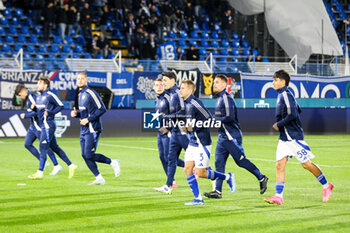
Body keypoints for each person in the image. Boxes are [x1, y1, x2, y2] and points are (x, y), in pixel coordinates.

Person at [264, 70, 334, 205]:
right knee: (280, 164)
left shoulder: (286, 95)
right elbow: (298, 109)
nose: (273, 82)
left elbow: (293, 114)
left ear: (283, 82)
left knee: (306, 164)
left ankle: (326, 186)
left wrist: (279, 124)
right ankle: (279, 196)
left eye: (276, 80)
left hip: (293, 137)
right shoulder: (282, 95)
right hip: (285, 137)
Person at [204, 74, 268, 199]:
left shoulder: (227, 98)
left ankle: (261, 177)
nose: (214, 85)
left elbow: (230, 117)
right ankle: (217, 191)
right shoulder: (219, 99)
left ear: (224, 85)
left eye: (217, 82)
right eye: (214, 82)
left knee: (241, 161)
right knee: (219, 163)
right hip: (223, 137)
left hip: (232, 137)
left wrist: (214, 119)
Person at [179, 80, 235, 205]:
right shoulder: (186, 103)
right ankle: (198, 198)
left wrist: (194, 127)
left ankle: (227, 177)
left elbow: (209, 118)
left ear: (190, 90)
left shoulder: (195, 103)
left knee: (201, 172)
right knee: (187, 169)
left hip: (202, 142)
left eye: (182, 88)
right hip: (192, 142)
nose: (180, 90)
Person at [71, 72, 121, 185]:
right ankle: (99, 178)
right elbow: (86, 113)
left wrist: (88, 120)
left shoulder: (90, 93)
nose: (79, 80)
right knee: (84, 155)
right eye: (78, 79)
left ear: (86, 80)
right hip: (84, 129)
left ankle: (112, 162)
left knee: (88, 155)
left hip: (93, 128)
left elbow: (102, 109)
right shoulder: (79, 94)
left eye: (82, 79)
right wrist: (77, 115)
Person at [28, 77, 77, 179]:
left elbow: (61, 106)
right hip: (43, 126)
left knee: (43, 147)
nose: (37, 85)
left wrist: (51, 112)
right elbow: (39, 112)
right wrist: (34, 108)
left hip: (48, 125)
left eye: (39, 83)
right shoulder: (38, 97)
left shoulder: (50, 95)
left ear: (45, 85)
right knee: (55, 147)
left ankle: (39, 172)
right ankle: (71, 165)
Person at [15, 83, 62, 176]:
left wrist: (26, 116)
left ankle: (56, 165)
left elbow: (37, 113)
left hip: (39, 126)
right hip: (33, 127)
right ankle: (45, 162)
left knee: (46, 146)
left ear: (23, 91)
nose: (20, 97)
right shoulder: (29, 98)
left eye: (20, 95)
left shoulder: (33, 97)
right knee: (27, 144)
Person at [153, 71, 186, 194]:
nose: (161, 86)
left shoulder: (172, 94)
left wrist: (168, 127)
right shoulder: (160, 98)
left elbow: (182, 112)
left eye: (163, 82)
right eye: (157, 84)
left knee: (173, 157)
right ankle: (169, 183)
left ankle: (213, 176)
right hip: (164, 132)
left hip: (176, 131)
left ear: (173, 81)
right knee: (166, 157)